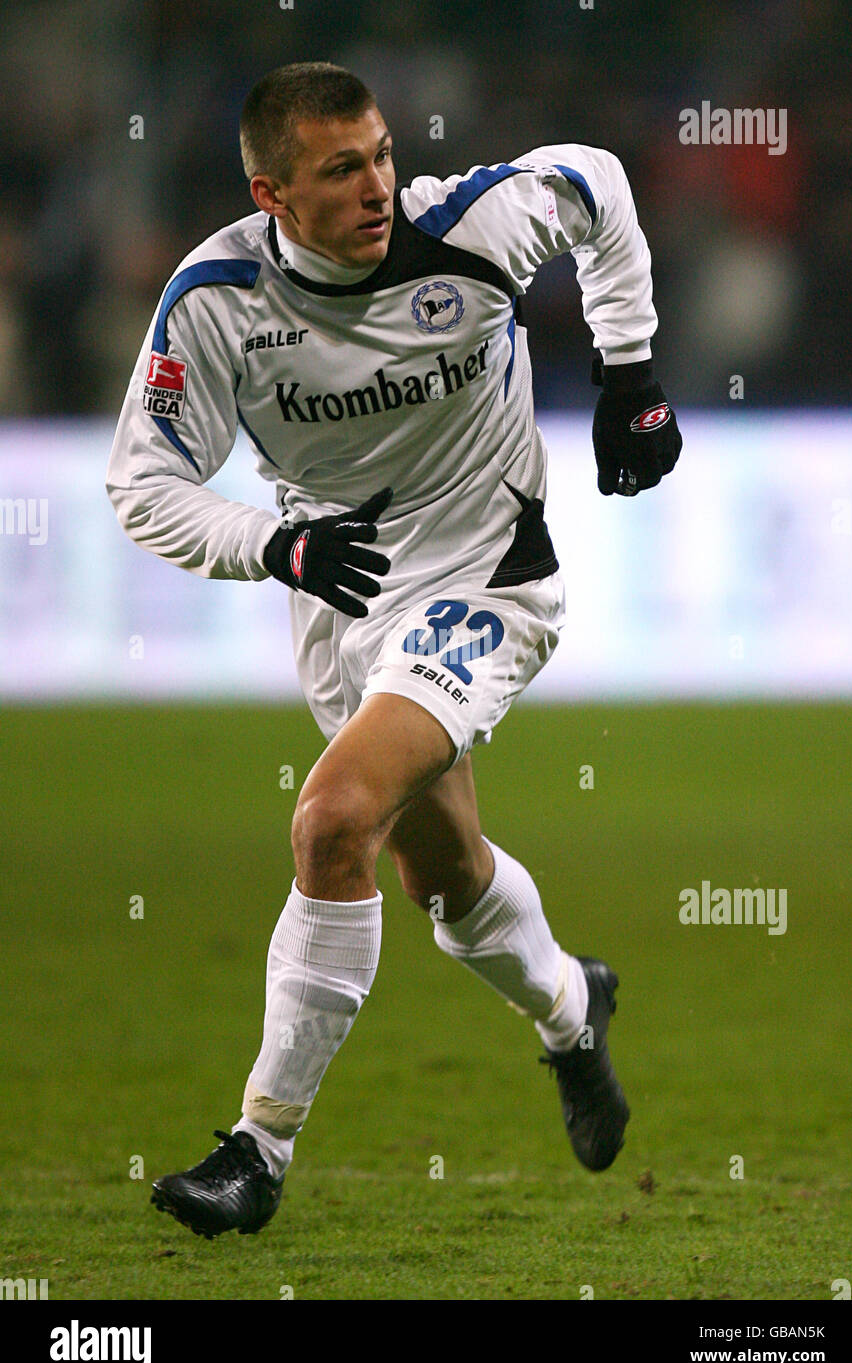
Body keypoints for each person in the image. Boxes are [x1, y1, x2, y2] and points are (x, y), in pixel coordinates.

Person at [106, 61, 681, 1240]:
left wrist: (627, 372)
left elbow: (601, 184)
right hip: (343, 595)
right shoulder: (217, 303)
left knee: (330, 820)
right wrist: (272, 546)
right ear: (272, 193)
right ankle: (575, 1008)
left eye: (377, 154)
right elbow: (142, 483)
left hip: (483, 578)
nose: (377, 186)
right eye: (340, 170)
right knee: (442, 874)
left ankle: (257, 1148)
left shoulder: (464, 224)